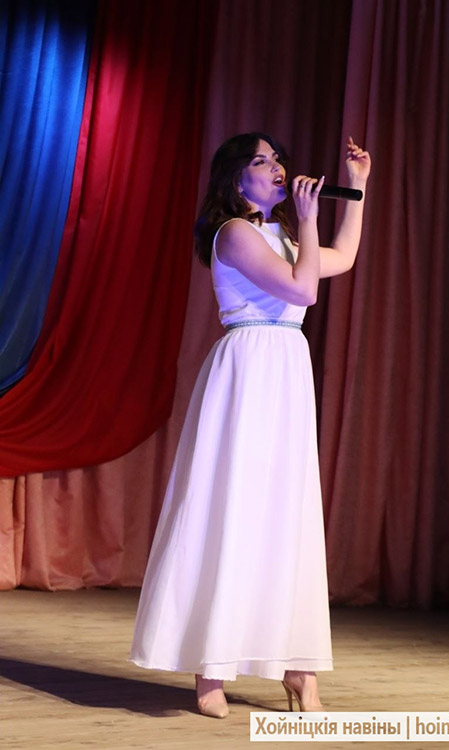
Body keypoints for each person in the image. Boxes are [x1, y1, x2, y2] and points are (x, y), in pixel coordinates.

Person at [130, 132, 371, 718]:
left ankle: (298, 666)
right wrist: (308, 221)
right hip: (247, 369)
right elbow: (303, 289)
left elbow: (341, 258)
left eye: (278, 157)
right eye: (262, 160)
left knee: (286, 514)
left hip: (285, 368)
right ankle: (211, 665)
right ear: (237, 181)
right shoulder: (234, 232)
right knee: (232, 507)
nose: (278, 166)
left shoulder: (283, 236)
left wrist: (357, 186)